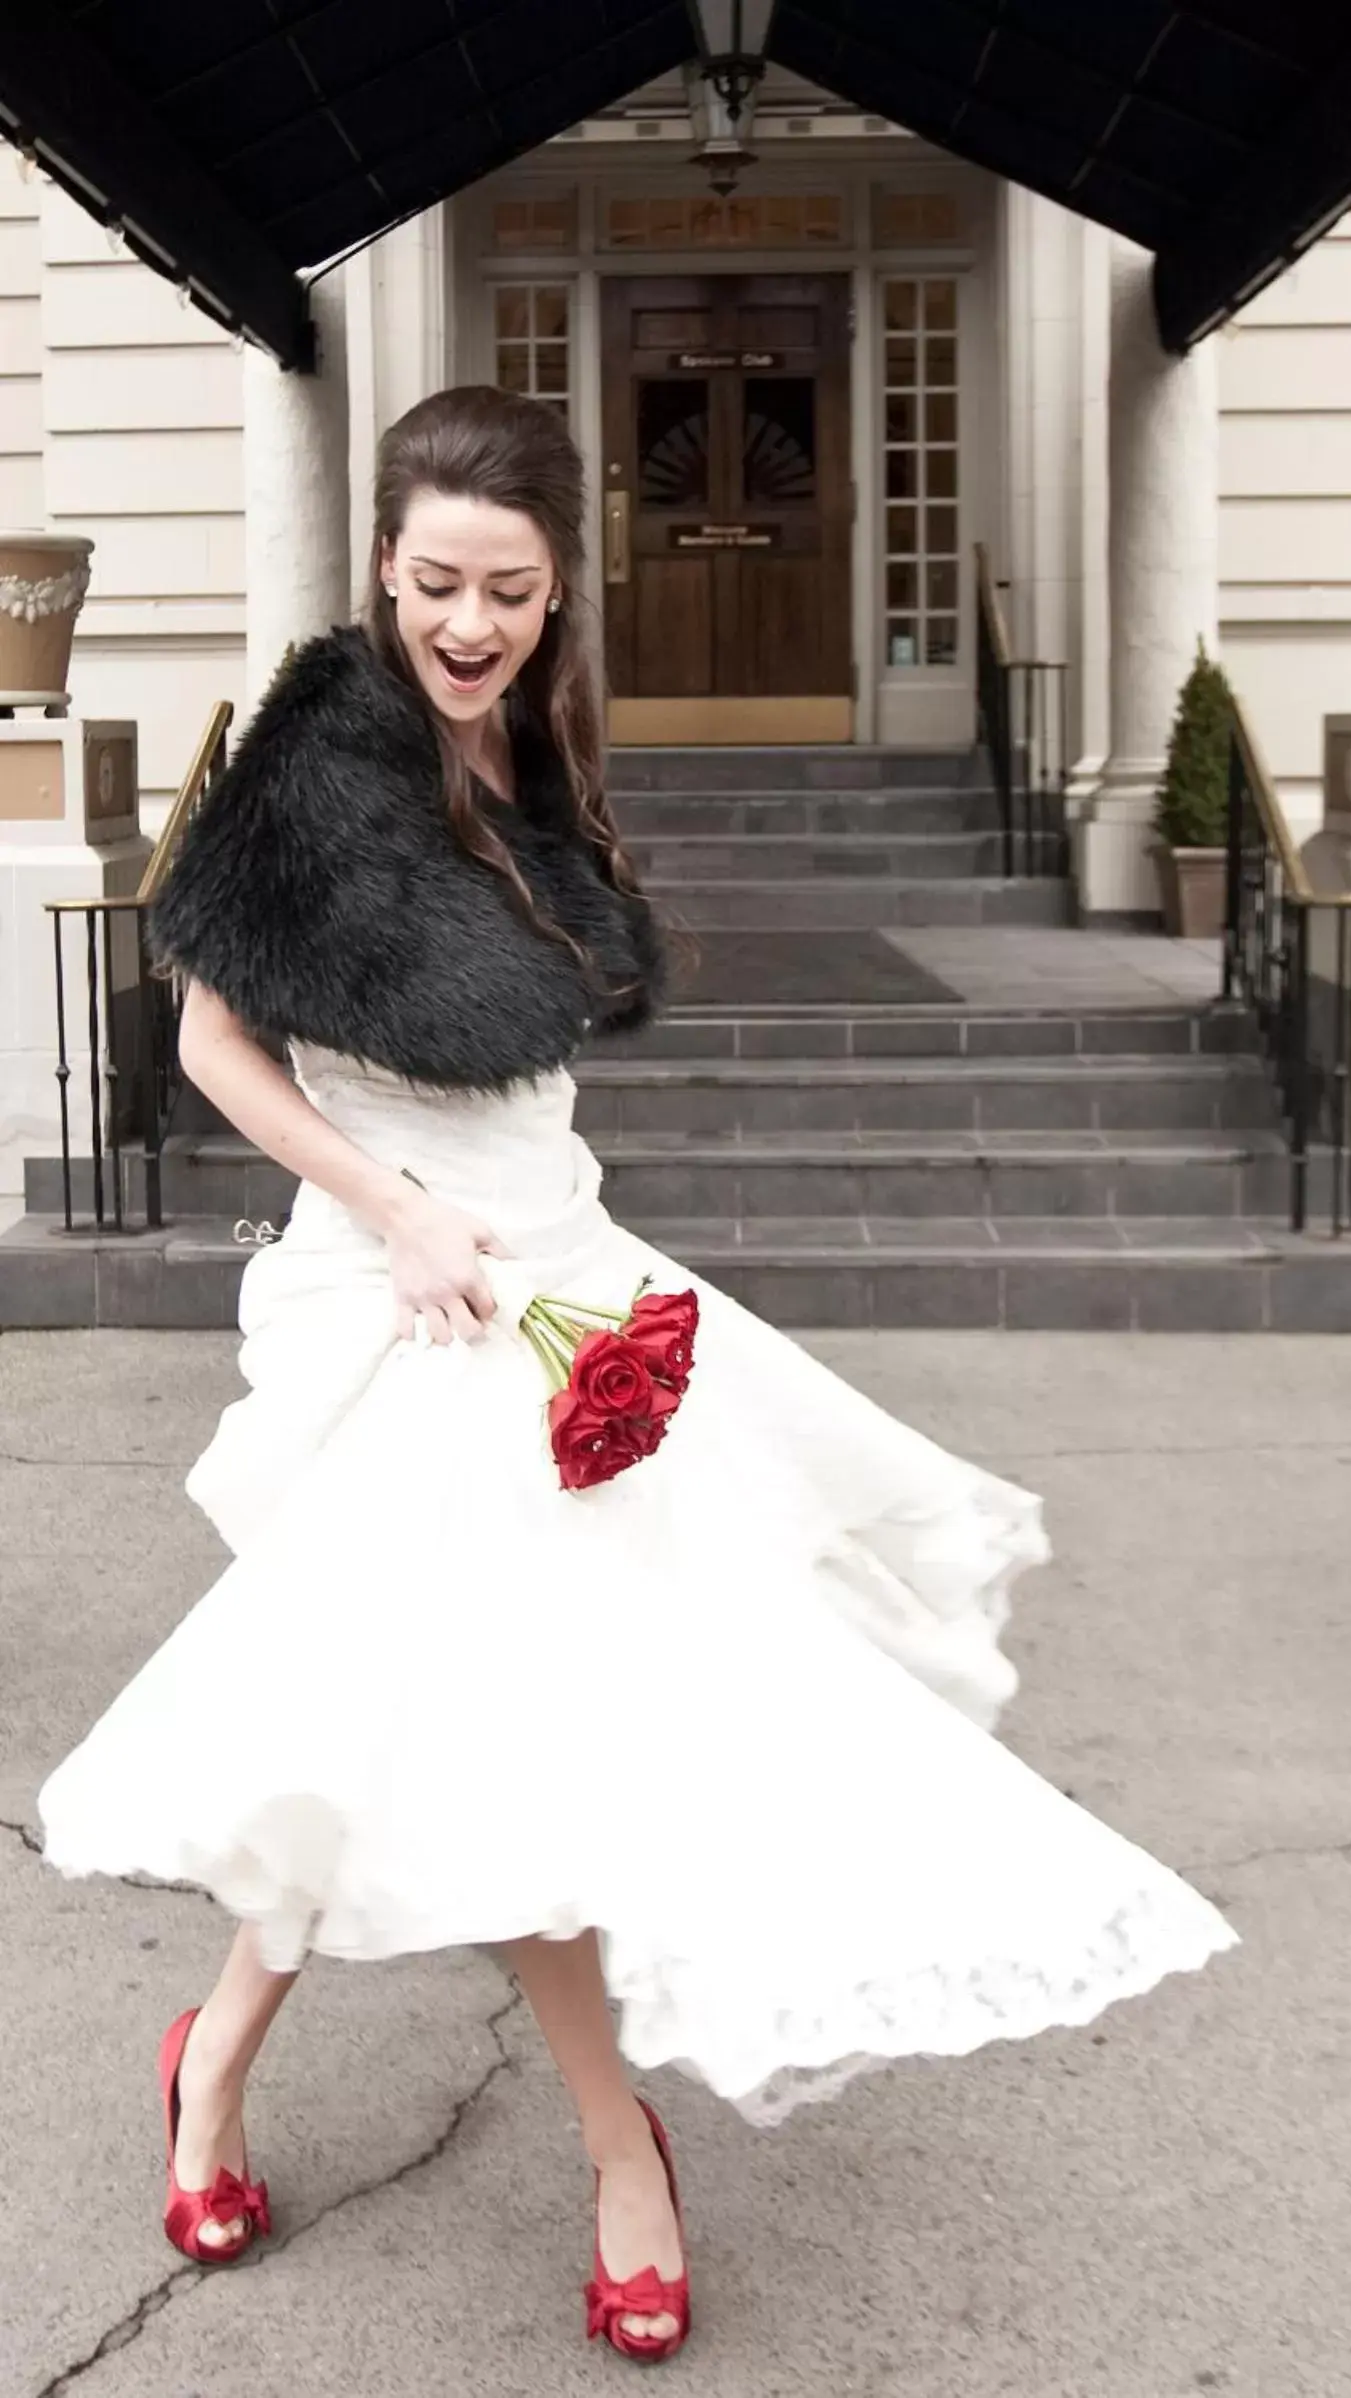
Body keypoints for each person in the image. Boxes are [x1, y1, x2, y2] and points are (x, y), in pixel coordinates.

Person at [37, 385, 1235, 2364]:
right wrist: (398, 1203)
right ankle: (614, 2148)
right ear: (382, 571)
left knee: (444, 1724)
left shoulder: (536, 750)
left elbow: (535, 1045)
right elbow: (214, 1049)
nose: (464, 623)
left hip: (560, 1270)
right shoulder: (318, 761)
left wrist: (502, 1217)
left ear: (560, 587)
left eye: (505, 589)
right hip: (403, 1291)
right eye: (432, 584)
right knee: (469, 1724)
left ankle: (222, 2063)